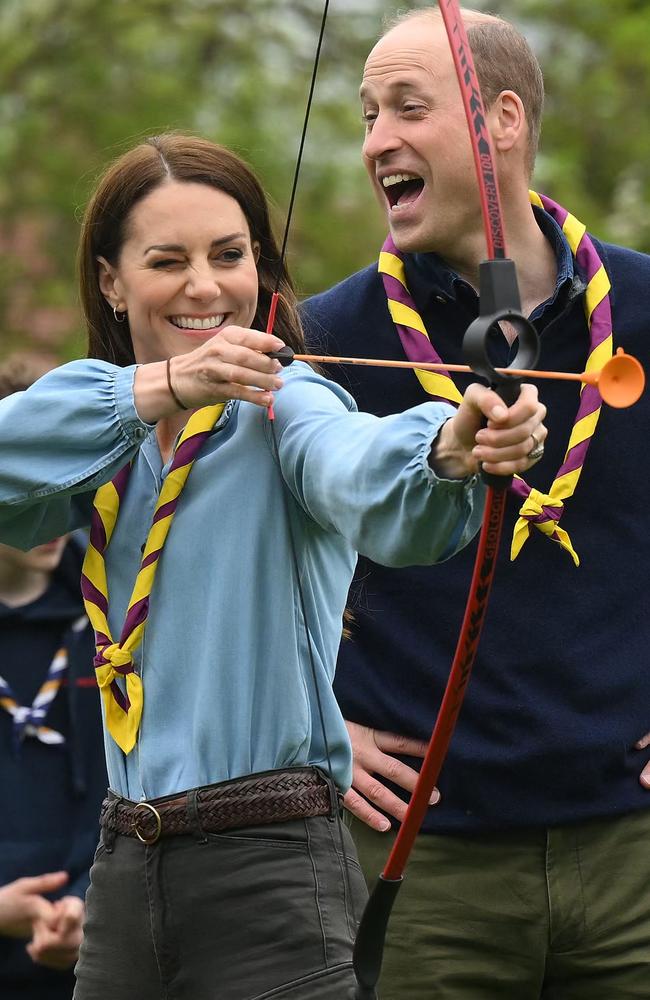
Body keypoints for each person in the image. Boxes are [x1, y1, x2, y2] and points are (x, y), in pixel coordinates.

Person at [0, 133, 545, 1000]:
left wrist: (448, 447)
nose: (205, 286)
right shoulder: (106, 428)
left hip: (271, 870)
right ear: (111, 280)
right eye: (166, 260)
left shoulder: (288, 406)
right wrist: (161, 387)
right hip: (123, 873)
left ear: (261, 266)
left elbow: (363, 471)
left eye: (229, 255)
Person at [300, 7, 650, 999]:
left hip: (629, 845)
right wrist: (311, 721)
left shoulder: (639, 302)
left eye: (406, 107)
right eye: (366, 115)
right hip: (426, 863)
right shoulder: (326, 333)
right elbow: (239, 568)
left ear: (500, 119)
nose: (375, 142)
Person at [0, 354, 106, 1000]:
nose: (51, 505)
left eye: (67, 480)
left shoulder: (117, 622)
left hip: (97, 951)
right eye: (26, 481)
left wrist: (91, 902)